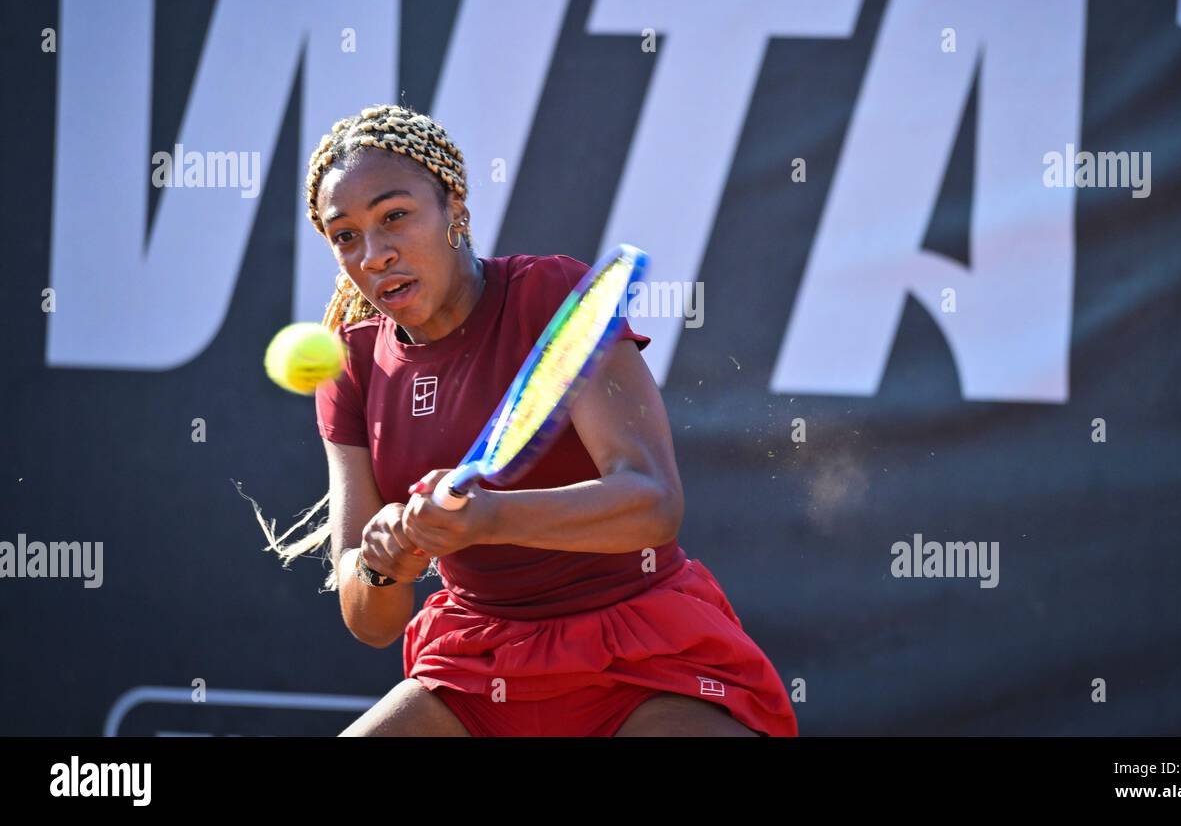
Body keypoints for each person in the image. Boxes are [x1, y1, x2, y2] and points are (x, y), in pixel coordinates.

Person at [274, 104, 797, 737]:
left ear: (454, 210)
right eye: (346, 236)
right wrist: (387, 560)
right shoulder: (350, 365)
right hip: (476, 664)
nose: (375, 254)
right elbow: (373, 622)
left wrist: (489, 519)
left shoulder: (550, 296)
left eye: (395, 217)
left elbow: (653, 503)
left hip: (641, 649)